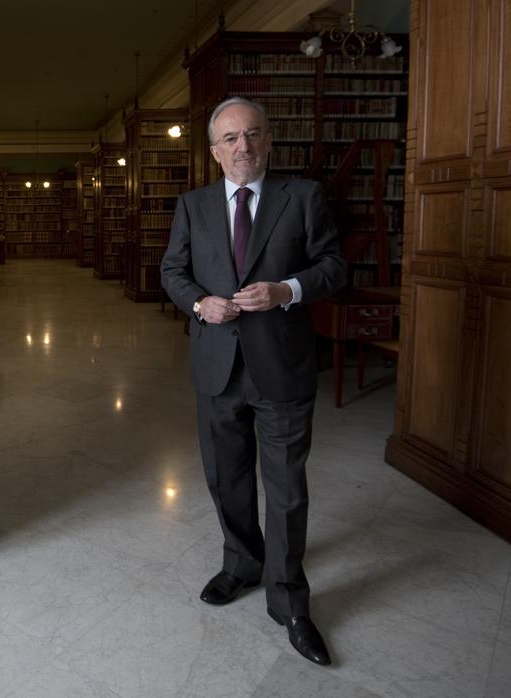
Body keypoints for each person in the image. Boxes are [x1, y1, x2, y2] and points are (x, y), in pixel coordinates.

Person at [160, 96, 346, 666]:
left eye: (253, 135)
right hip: (217, 366)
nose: (244, 146)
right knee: (226, 477)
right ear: (215, 152)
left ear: (268, 141)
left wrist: (285, 290)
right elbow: (173, 271)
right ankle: (242, 564)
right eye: (231, 139)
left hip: (282, 367)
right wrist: (199, 306)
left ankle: (289, 601)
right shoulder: (192, 206)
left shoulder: (304, 196)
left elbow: (334, 267)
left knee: (286, 488)